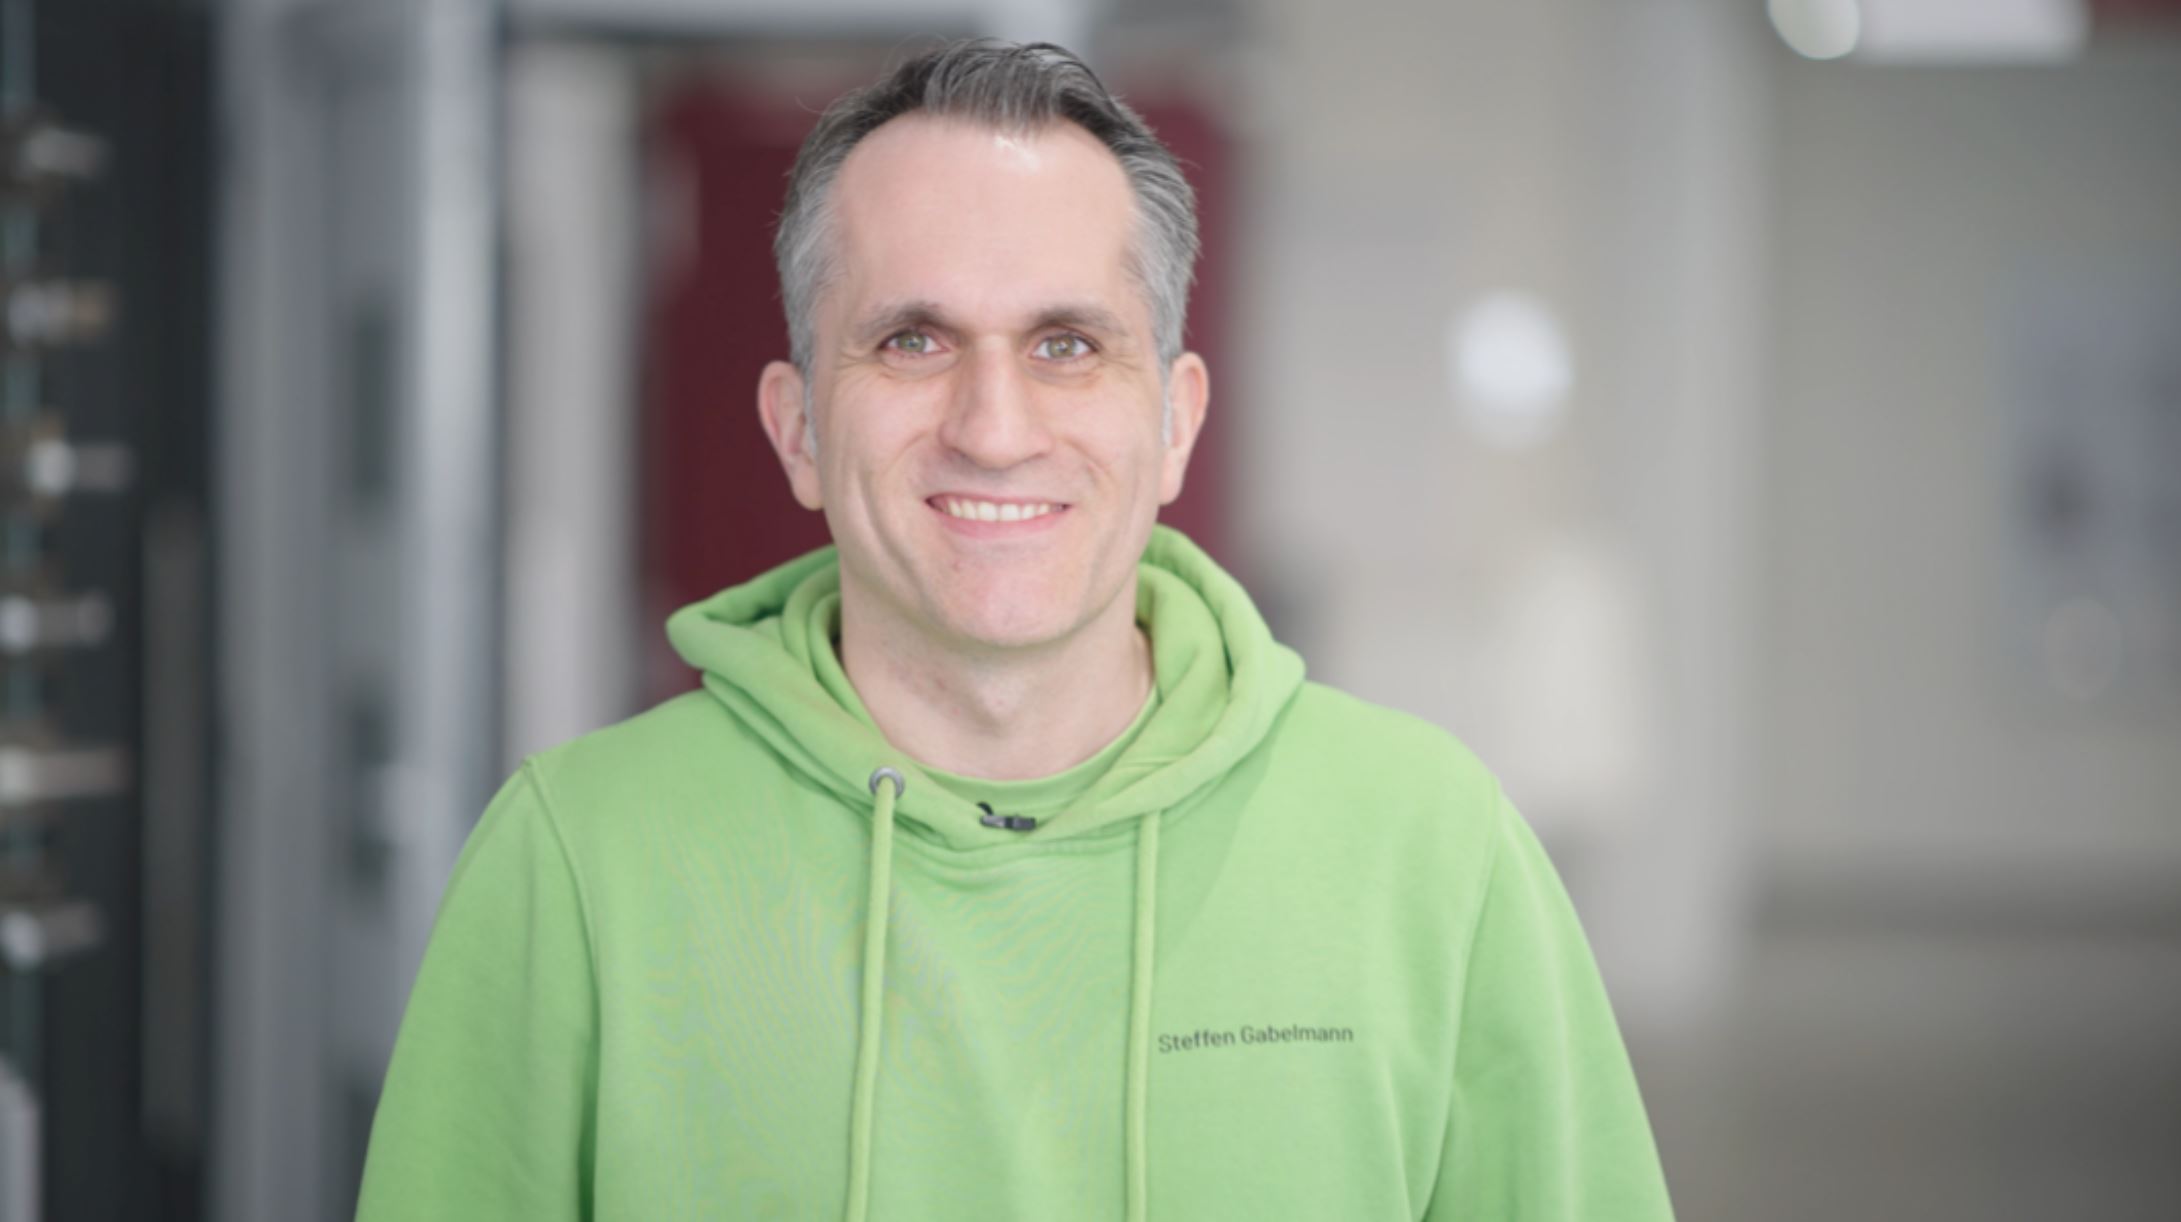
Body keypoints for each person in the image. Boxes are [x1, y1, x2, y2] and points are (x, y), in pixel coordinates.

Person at [355, 39, 1673, 1222]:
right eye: (913, 340)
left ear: (1173, 421)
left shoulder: (1433, 849)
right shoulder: (575, 860)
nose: (993, 427)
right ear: (798, 429)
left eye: (1066, 345)